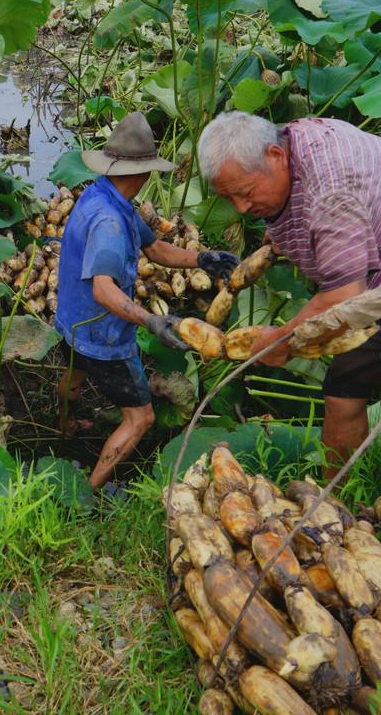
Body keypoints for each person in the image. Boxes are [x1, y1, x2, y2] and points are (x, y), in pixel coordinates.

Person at [196, 111, 381, 519]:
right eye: (229, 197)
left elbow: (343, 297)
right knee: (341, 398)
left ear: (275, 155)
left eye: (246, 192)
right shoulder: (292, 143)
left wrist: (284, 339)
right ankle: (329, 508)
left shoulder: (331, 189)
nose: (240, 207)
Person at [55, 112, 239, 490]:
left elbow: (155, 249)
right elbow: (103, 290)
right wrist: (151, 321)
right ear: (142, 173)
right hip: (103, 335)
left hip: (72, 322)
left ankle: (64, 426)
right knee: (141, 419)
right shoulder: (109, 222)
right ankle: (91, 490)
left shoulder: (103, 195)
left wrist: (203, 259)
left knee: (74, 375)